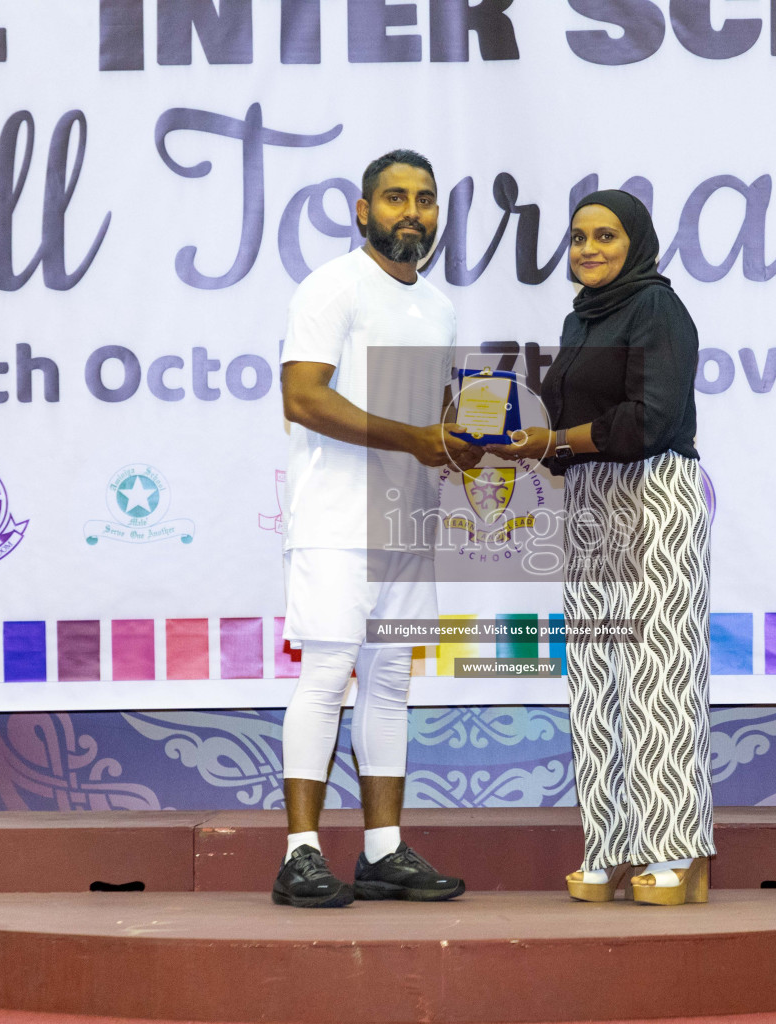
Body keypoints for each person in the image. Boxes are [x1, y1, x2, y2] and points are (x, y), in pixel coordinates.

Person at [488, 190, 714, 906]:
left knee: (658, 676)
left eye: (605, 235)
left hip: (654, 496)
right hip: (589, 503)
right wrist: (503, 436)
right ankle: (611, 848)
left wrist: (551, 440)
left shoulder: (658, 310)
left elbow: (648, 419)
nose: (588, 248)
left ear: (636, 242)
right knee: (594, 680)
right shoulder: (580, 318)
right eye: (579, 237)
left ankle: (678, 850)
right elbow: (565, 424)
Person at [273, 149, 480, 908]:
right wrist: (414, 438)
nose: (412, 213)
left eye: (425, 200)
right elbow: (303, 398)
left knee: (390, 683)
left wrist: (455, 443)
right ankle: (300, 853)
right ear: (363, 211)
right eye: (395, 198)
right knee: (327, 675)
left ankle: (383, 850)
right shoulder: (331, 286)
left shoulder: (440, 307)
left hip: (405, 520)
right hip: (334, 519)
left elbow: (425, 419)